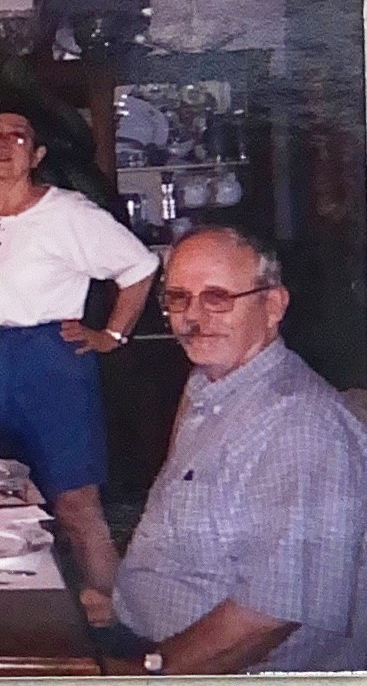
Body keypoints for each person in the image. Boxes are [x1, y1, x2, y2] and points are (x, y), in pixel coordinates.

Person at [106, 225, 367, 674]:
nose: (193, 317)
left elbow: (265, 622)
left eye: (217, 298)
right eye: (178, 298)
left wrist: (146, 675)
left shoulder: (298, 426)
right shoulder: (211, 389)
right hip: (145, 639)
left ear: (273, 306)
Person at [0, 107, 158, 626]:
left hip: (48, 365)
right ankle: (16, 627)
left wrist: (111, 335)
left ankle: (119, 630)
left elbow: (140, 266)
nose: (3, 144)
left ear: (37, 154)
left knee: (75, 505)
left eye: (18, 136)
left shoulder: (67, 212)